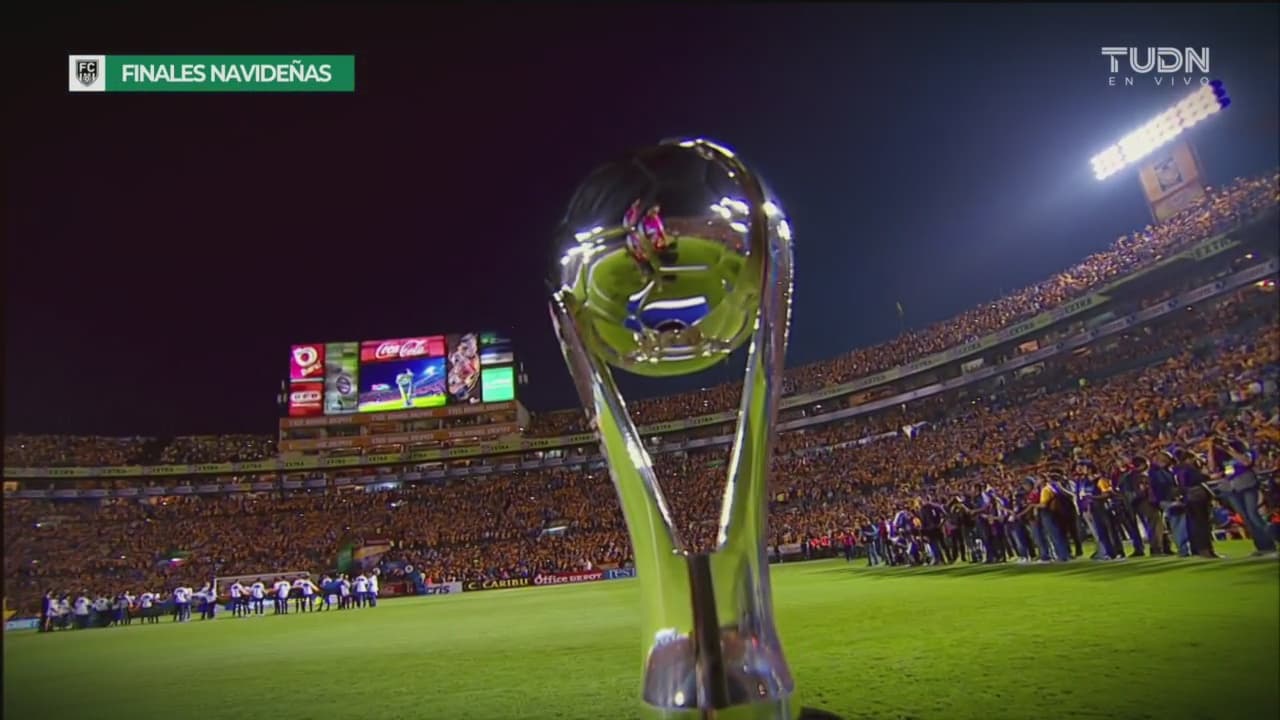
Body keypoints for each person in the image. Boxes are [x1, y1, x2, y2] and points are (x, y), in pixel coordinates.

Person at [1209, 437, 1276, 557]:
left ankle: (1270, 546)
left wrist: (1229, 449)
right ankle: (1261, 547)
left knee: (1253, 514)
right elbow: (1212, 468)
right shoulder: (1220, 456)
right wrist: (1211, 448)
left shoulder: (1241, 449)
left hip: (1247, 485)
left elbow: (1246, 462)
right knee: (1246, 518)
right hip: (1230, 489)